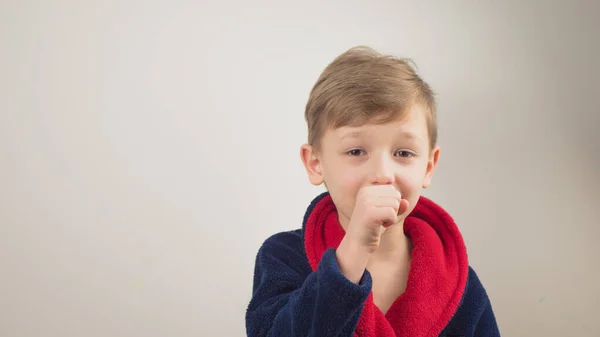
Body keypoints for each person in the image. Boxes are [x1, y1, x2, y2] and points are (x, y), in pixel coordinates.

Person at [245, 46, 500, 337]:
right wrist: (352, 253)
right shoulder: (284, 257)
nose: (382, 174)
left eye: (403, 153)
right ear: (316, 163)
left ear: (428, 166)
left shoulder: (458, 281)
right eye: (356, 151)